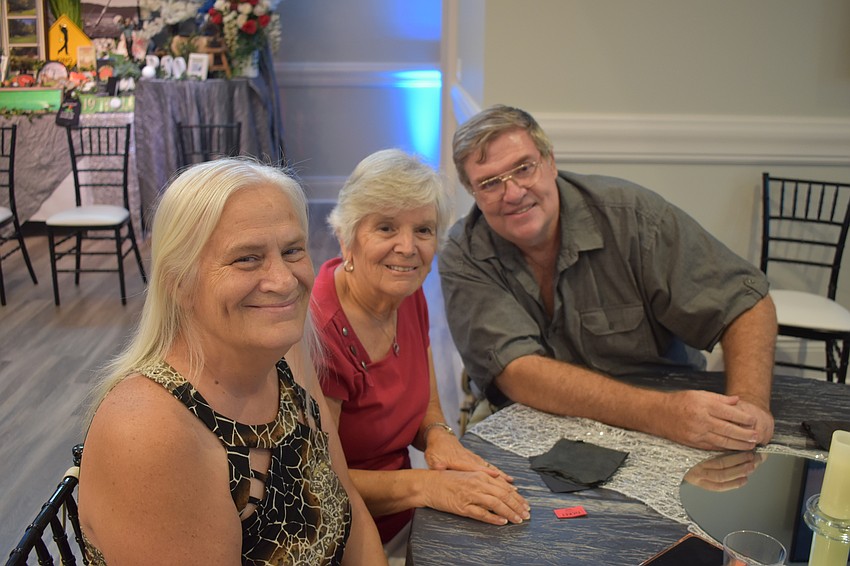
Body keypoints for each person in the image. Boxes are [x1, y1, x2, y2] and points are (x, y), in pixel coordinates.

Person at [77, 158, 387, 565]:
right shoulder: (150, 432)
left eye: (292, 250)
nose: (283, 280)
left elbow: (349, 506)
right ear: (180, 283)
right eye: (247, 258)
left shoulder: (284, 356)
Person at [439, 104, 778, 452]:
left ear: (550, 162)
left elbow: (744, 303)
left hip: (671, 413)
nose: (512, 193)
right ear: (473, 193)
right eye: (490, 183)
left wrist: (751, 406)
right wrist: (659, 413)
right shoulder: (463, 253)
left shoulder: (631, 217)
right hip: (543, 423)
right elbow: (518, 373)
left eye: (523, 168)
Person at [311, 149, 530, 560]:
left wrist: (438, 437)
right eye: (386, 228)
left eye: (424, 230)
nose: (408, 248)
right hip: (341, 542)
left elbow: (425, 405)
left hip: (406, 519)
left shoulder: (404, 294)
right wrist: (428, 486)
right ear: (347, 236)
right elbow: (319, 482)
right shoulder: (320, 334)